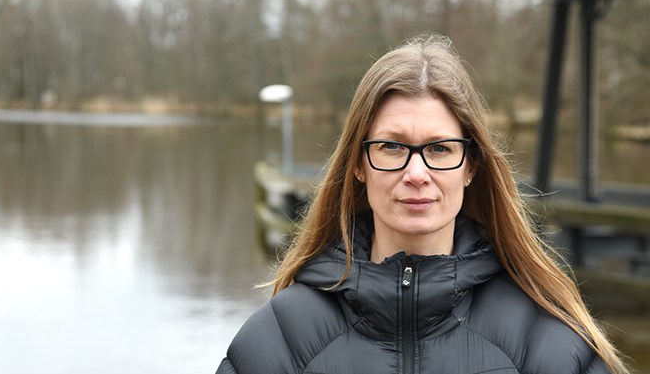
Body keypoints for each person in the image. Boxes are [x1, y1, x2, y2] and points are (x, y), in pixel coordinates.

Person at [216, 33, 628, 374]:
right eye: (392, 146)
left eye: (441, 148)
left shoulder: (547, 342)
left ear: (471, 167)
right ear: (359, 164)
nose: (417, 173)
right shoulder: (278, 342)